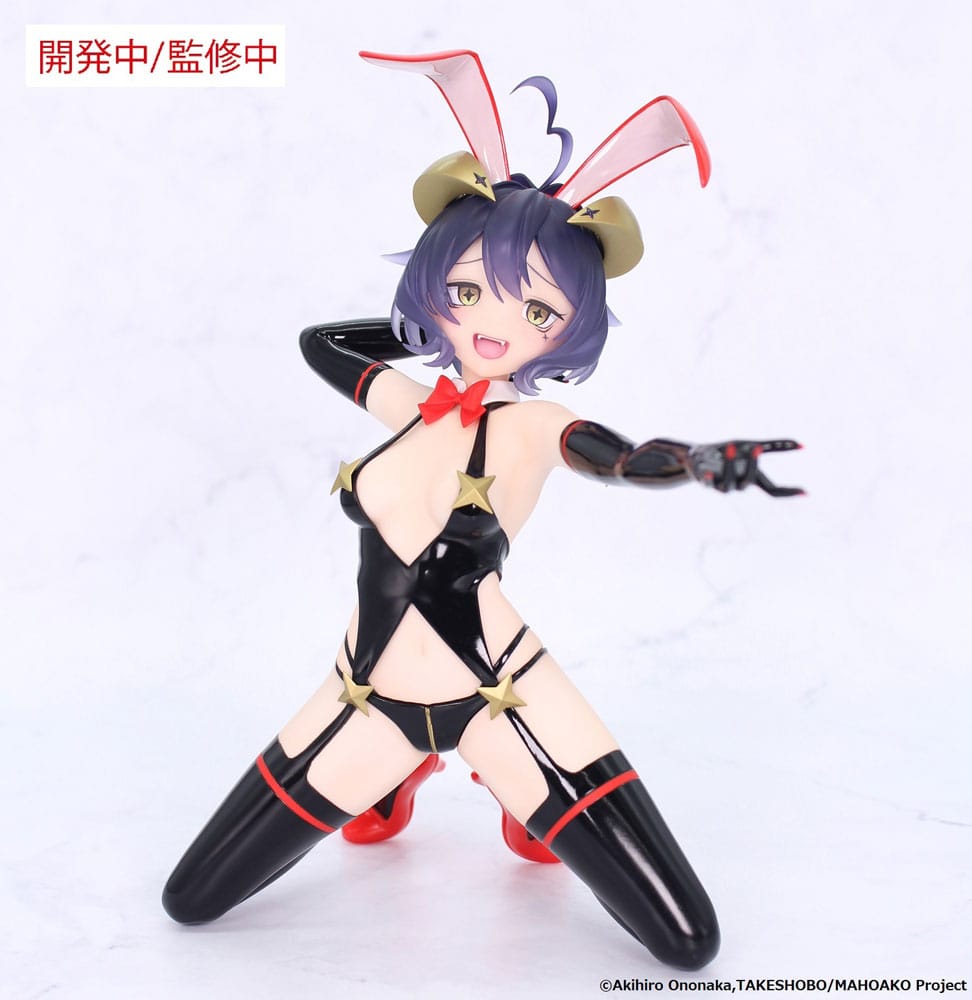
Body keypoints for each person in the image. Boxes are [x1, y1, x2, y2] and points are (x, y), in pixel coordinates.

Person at [162, 50, 801, 972]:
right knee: (191, 899)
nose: (495, 324)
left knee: (687, 939)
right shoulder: (408, 404)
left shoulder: (533, 425)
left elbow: (622, 459)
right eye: (468, 291)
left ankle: (511, 798)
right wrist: (422, 320)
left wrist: (699, 463)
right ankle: (402, 776)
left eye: (537, 310)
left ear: (570, 325)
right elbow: (322, 342)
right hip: (362, 697)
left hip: (509, 697)